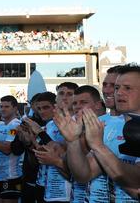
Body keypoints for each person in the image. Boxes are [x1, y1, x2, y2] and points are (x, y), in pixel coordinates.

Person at [56, 63, 140, 202]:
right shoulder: (108, 126)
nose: (118, 92)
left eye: (128, 88)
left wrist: (98, 145)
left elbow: (136, 180)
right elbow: (83, 174)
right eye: (117, 88)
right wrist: (73, 141)